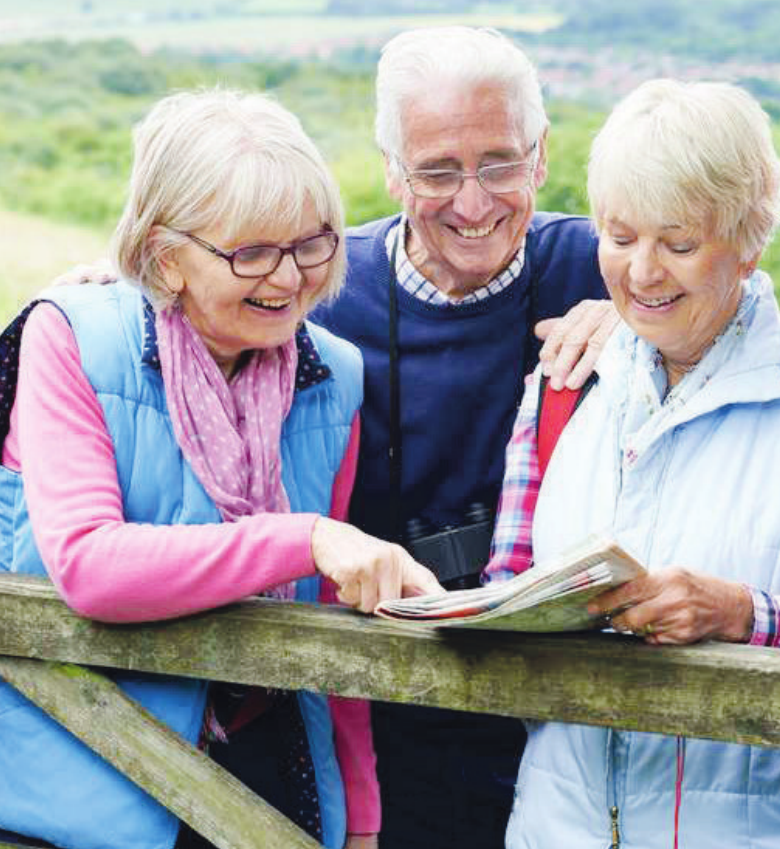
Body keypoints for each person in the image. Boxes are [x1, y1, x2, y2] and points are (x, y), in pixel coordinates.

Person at [0, 90, 441, 849]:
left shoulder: (332, 373)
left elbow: (335, 619)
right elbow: (88, 563)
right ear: (169, 257)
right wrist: (303, 536)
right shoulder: (71, 337)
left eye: (313, 243)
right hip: (80, 790)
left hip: (266, 776)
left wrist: (360, 815)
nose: (289, 277)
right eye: (252, 252)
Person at [482, 78, 780, 848]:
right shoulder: (561, 386)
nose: (642, 272)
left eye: (677, 244)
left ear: (749, 238)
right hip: (561, 827)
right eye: (619, 236)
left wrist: (739, 613)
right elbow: (505, 584)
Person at [307, 26, 612, 849]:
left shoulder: (609, 266)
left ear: (542, 156)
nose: (473, 204)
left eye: (500, 164)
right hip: (384, 719)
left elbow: (745, 309)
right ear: (391, 171)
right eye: (438, 172)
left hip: (572, 729)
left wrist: (645, 325)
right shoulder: (328, 293)